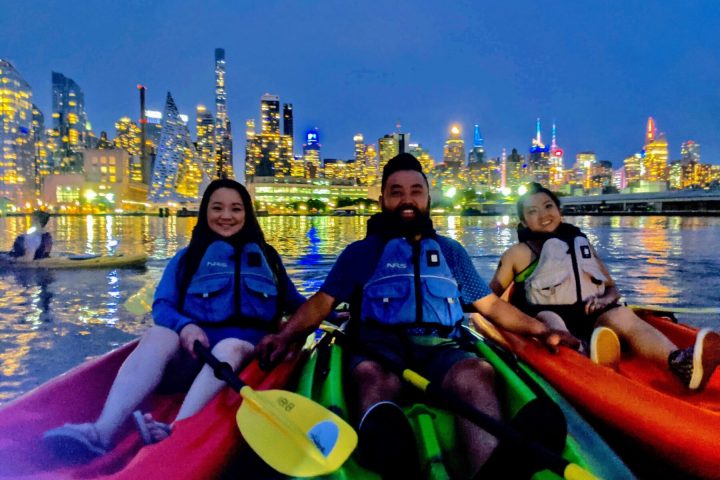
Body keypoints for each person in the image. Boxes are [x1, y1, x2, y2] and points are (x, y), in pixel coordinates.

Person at [257, 154, 578, 480]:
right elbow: (321, 305)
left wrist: (542, 330)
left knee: (476, 373)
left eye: (415, 191)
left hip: (441, 349)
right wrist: (285, 337)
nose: (406, 200)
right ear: (382, 200)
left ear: (427, 197)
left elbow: (491, 306)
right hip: (379, 348)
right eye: (396, 192)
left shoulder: (451, 252)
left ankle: (490, 472)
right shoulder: (361, 253)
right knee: (373, 375)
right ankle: (391, 452)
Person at [44, 178, 305, 461]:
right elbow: (163, 306)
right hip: (195, 356)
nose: (226, 216)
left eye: (236, 209)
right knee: (159, 334)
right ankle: (101, 432)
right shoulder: (187, 259)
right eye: (217, 208)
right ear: (206, 212)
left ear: (247, 213)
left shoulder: (269, 259)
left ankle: (174, 430)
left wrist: (333, 309)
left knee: (229, 345)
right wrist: (186, 326)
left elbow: (296, 305)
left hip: (243, 359)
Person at [490, 182, 720, 390]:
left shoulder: (582, 244)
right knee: (551, 319)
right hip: (550, 319)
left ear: (559, 211)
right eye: (532, 211)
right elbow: (490, 298)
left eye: (548, 206)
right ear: (523, 222)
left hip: (592, 315)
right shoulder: (518, 254)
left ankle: (679, 363)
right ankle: (584, 356)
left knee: (622, 315)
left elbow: (612, 288)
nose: (543, 215)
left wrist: (604, 300)